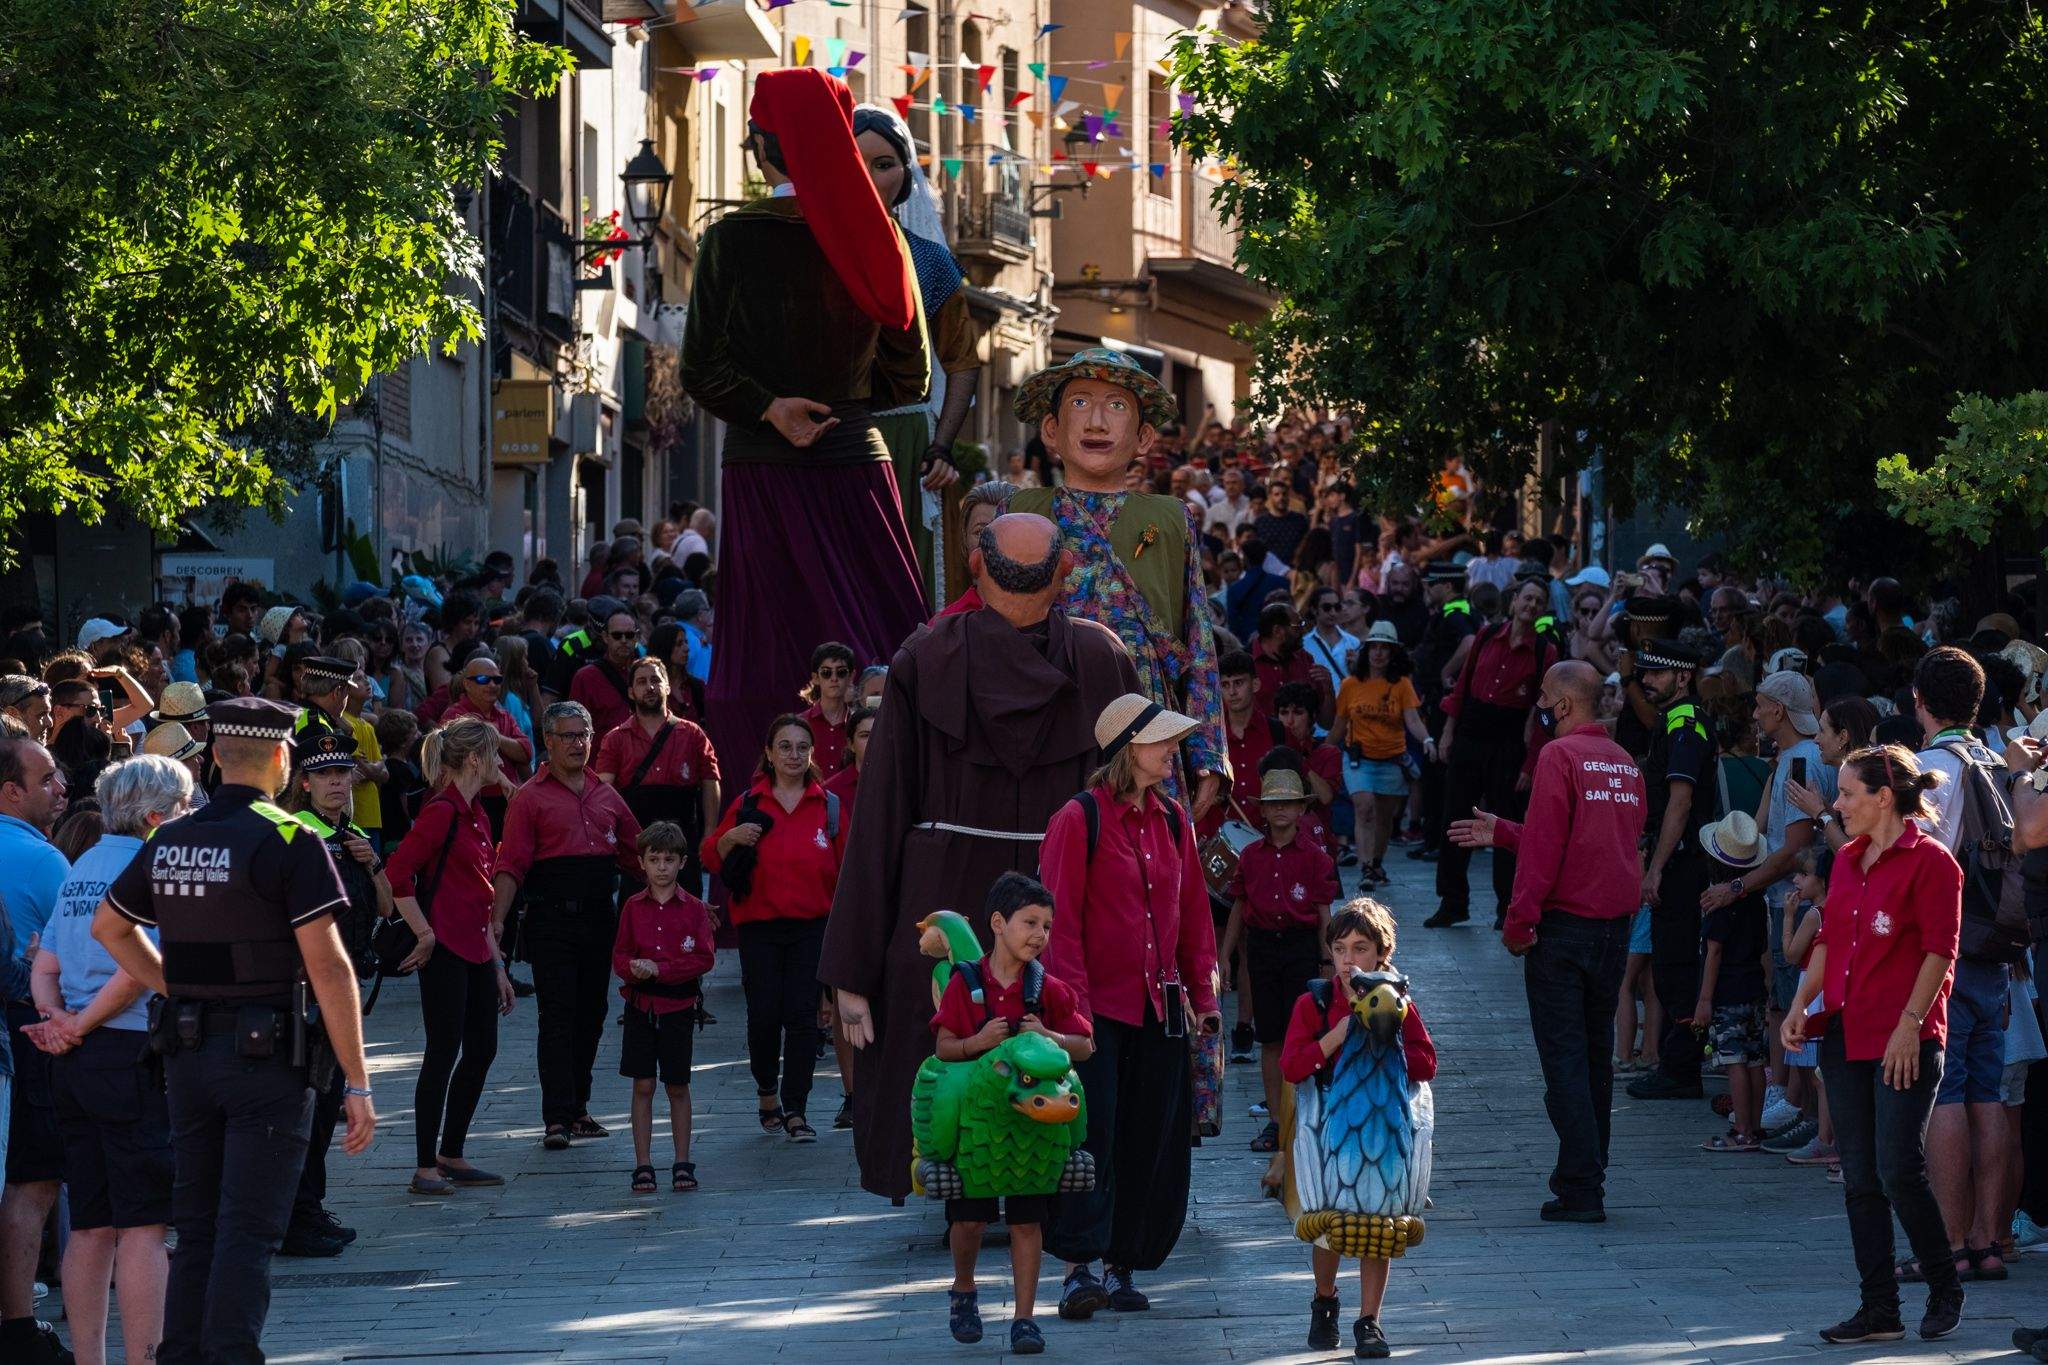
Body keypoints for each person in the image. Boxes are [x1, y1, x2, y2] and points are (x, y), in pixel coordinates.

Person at [820, 512, 1139, 1202]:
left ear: (976, 569)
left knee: (948, 1038)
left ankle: (959, 1183)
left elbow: (877, 817)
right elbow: (1133, 805)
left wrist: (852, 966)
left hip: (944, 889)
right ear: (1064, 573)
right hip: (1067, 894)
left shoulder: (921, 659)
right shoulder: (1102, 658)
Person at [90, 696, 376, 1363]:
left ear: (214, 754)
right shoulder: (289, 836)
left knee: (196, 1228)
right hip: (267, 1063)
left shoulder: (169, 837)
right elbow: (330, 968)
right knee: (247, 1230)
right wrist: (357, 1081)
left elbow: (109, 927)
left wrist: (176, 986)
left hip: (185, 1054)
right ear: (281, 758)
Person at [681, 68, 932, 787]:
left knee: (763, 667)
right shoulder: (879, 235)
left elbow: (701, 370)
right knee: (886, 650)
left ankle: (767, 812)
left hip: (762, 468)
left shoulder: (731, 239)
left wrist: (770, 407)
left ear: (764, 148)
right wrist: (835, 397)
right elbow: (906, 381)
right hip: (856, 465)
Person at [1040, 694, 1221, 1321]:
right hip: (1096, 1013)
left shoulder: (1173, 820)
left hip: (1160, 1007)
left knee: (1149, 1139)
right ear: (1128, 750)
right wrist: (1075, 1016)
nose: (1174, 751)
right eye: (1163, 742)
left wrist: (1204, 995)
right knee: (1093, 1138)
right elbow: (1057, 927)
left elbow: (1194, 913)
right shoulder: (1078, 818)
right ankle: (1077, 1268)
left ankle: (1121, 1267)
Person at [1781, 745, 1967, 1345]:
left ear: (1882, 797)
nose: (1837, 805)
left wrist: (1910, 1027)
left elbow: (1941, 950)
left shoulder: (1933, 863)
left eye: (1846, 794)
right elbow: (1829, 943)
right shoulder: (1848, 861)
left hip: (1904, 1039)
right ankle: (1879, 1310)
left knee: (1898, 1170)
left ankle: (1945, 1285)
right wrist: (1797, 1005)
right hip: (1843, 1034)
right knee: (1860, 1177)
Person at [1448, 660, 1645, 1221]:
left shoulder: (1559, 757)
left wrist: (1518, 924)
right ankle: (1588, 1171)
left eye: (1541, 695)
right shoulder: (1625, 764)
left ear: (1561, 705)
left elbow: (1547, 852)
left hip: (1564, 932)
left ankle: (1581, 1185)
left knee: (1564, 1061)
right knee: (1593, 1059)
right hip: (1613, 932)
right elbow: (1597, 840)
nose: (1536, 703)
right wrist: (1506, 831)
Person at [1010, 349, 1224, 816]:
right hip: (1047, 703)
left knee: (1143, 853)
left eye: (1118, 406)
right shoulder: (1023, 510)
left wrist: (1207, 752)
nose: (1097, 423)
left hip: (1147, 707)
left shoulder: (1169, 517)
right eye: (1081, 404)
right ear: (1052, 430)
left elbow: (1198, 639)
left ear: (1144, 437)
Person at [28, 755, 184, 1365]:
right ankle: (145, 1357)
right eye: (182, 808)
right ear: (155, 815)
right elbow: (136, 972)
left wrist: (57, 1023)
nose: (189, 819)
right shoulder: (149, 867)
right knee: (143, 1226)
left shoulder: (79, 868)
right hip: (128, 1051)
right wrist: (80, 1022)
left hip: (73, 1060)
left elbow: (44, 963)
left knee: (90, 1221)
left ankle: (89, 1358)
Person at [929, 872, 1095, 1355]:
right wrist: (975, 1044)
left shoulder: (1049, 989)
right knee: (971, 1222)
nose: (1040, 934)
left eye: (1046, 925)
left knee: (1027, 1222)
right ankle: (964, 1290)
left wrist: (1052, 1037)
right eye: (1029, 922)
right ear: (998, 923)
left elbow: (1085, 1046)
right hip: (978, 1134)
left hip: (1031, 1132)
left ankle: (1024, 1318)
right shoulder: (967, 983)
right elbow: (942, 1047)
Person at [1278, 899, 1437, 1359]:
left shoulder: (1398, 1002)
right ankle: (1325, 1298)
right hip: (1328, 1128)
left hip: (1382, 1130)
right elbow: (1291, 1066)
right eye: (1341, 948)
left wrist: (1390, 1039)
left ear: (1380, 955)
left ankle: (1370, 1320)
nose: (1349, 960)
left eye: (1360, 949)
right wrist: (1337, 1035)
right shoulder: (1316, 1002)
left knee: (1379, 1224)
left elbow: (1426, 1063)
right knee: (1329, 1225)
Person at [1903, 645, 2016, 1283]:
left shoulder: (1927, 768)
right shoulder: (1999, 762)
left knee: (1943, 1091)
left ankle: (1945, 1244)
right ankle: (1988, 1240)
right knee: (1987, 1091)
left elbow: (1916, 863)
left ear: (1919, 700)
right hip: (1997, 948)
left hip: (1943, 951)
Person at [492, 700, 642, 1150]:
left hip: (600, 916)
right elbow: (511, 864)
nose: (578, 744)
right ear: (549, 743)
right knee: (557, 1015)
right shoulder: (530, 798)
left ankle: (578, 1108)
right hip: (550, 918)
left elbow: (640, 853)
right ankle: (556, 1116)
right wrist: (496, 922)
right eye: (568, 736)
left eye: (583, 735)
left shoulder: (607, 795)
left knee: (593, 1014)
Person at [702, 715, 845, 1144]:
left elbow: (847, 873)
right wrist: (731, 839)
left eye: (802, 747)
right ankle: (767, 1092)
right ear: (769, 752)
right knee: (764, 1016)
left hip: (811, 927)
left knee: (802, 1018)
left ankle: (797, 1109)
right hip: (759, 928)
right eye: (785, 746)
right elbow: (710, 857)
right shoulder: (750, 801)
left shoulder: (829, 805)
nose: (794, 755)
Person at [850, 103, 974, 594]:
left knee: (909, 583)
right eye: (857, 163)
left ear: (904, 175)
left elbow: (962, 361)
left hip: (906, 444)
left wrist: (940, 446)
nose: (870, 177)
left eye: (883, 164)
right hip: (826, 436)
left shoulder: (928, 261)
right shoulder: (804, 251)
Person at [386, 716, 510, 1197]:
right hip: (445, 950)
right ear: (475, 759)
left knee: (483, 1049)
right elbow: (397, 874)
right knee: (442, 1052)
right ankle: (424, 1167)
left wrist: (498, 964)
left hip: (476, 947)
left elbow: (478, 896)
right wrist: (423, 933)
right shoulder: (441, 812)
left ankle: (451, 1154)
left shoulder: (477, 813)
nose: (502, 762)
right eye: (496, 754)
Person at [279, 729, 392, 1257]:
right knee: (310, 1106)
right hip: (306, 991)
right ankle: (295, 1215)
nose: (336, 782)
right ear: (303, 782)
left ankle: (308, 1207)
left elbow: (387, 907)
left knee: (323, 1106)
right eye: (324, 774)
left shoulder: (348, 832)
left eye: (343, 773)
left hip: (339, 986)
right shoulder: (298, 831)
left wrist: (370, 863)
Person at [1219, 770, 1338, 1155]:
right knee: (1269, 1037)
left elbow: (1324, 913)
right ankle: (1276, 1119)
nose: (1282, 811)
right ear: (1263, 812)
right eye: (1274, 805)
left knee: (1304, 1034)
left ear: (1302, 808)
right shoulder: (1250, 856)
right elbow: (1239, 906)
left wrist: (1328, 959)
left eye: (1289, 803)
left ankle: (1307, 1115)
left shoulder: (1316, 858)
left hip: (1302, 948)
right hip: (1264, 949)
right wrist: (1224, 956)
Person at [1625, 639, 1723, 1103]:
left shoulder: (1686, 723)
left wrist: (1656, 869)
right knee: (1668, 966)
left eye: (1658, 673)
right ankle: (1676, 1063)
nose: (1648, 680)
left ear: (1683, 677)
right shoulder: (1672, 720)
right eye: (1645, 673)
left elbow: (1680, 802)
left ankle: (1682, 1068)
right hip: (1679, 859)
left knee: (1677, 966)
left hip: (1685, 863)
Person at [0, 733, 70, 1364]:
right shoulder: (45, 861)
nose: (60, 786)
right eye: (46, 778)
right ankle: (19, 1322)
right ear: (10, 792)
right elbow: (82, 953)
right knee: (34, 1180)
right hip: (30, 1031)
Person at [1430, 579, 1555, 928]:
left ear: (1543, 609)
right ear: (1513, 601)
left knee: (1505, 825)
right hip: (1470, 734)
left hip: (1509, 741)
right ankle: (1453, 902)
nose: (1531, 605)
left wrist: (1530, 764)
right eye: (1527, 598)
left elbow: (1543, 715)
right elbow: (1463, 687)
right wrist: (1447, 734)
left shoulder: (1545, 650)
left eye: (1539, 601)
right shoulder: (1485, 636)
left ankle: (1507, 907)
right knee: (1454, 818)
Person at [612, 821, 716, 1196]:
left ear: (682, 863)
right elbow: (620, 955)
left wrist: (664, 970)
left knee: (677, 1085)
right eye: (653, 859)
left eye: (668, 860)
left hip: (678, 1008)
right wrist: (634, 969)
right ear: (641, 863)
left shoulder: (693, 909)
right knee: (643, 1084)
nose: (661, 867)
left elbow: (704, 958)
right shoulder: (632, 908)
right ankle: (643, 1163)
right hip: (641, 1007)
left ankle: (682, 1160)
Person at [594, 658, 721, 899]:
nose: (650, 687)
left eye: (655, 680)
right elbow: (603, 791)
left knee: (686, 917)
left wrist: (710, 833)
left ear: (667, 686)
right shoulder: (615, 738)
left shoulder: (693, 734)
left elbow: (710, 782)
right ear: (631, 692)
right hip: (637, 844)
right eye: (641, 682)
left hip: (683, 841)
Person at [1692, 811, 1772, 1151]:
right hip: (1753, 988)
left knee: (1733, 1062)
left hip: (1728, 992)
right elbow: (1764, 948)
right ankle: (1754, 1125)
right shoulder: (1756, 900)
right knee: (1755, 1060)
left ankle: (1741, 1130)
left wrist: (1704, 1000)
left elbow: (1713, 953)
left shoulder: (1718, 904)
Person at [1333, 622, 1434, 888]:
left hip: (1391, 759)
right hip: (1359, 758)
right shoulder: (1350, 684)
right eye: (1374, 647)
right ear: (1366, 651)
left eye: (1384, 648)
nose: (1378, 653)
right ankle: (1366, 867)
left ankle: (1376, 863)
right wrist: (1323, 750)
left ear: (1393, 653)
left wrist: (1427, 739)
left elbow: (1412, 719)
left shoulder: (1401, 685)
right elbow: (1339, 724)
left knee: (1385, 818)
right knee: (1364, 808)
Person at [569, 611, 643, 742]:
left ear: (636, 637)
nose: (624, 640)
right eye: (617, 636)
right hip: (601, 758)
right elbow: (576, 728)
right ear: (605, 637)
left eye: (629, 635)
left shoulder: (648, 673)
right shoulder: (586, 677)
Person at [800, 642, 858, 776]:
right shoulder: (799, 724)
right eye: (826, 673)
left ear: (851, 677)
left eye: (841, 672)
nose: (834, 678)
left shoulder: (860, 726)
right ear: (815, 678)